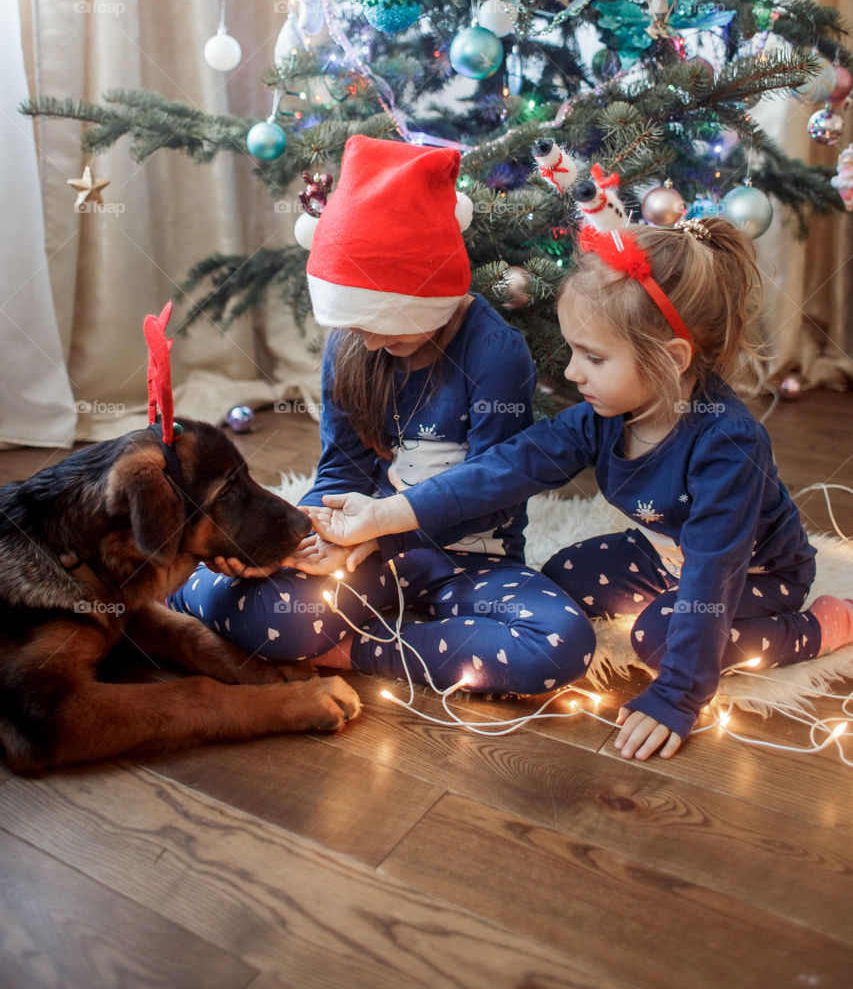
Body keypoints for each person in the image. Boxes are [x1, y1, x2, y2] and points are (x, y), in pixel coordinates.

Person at [311, 216, 853, 760]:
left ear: (671, 359)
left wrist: (678, 695)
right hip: (663, 555)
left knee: (659, 638)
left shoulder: (727, 447)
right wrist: (386, 516)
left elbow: (714, 576)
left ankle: (818, 627)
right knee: (562, 576)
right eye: (573, 351)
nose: (572, 373)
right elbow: (507, 468)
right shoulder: (604, 414)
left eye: (592, 357)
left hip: (755, 573)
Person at [168, 134, 596, 696]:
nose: (367, 342)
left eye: (381, 321)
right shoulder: (352, 344)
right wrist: (306, 534)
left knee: (559, 642)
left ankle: (356, 650)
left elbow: (495, 489)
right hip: (367, 559)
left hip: (472, 558)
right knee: (274, 614)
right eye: (354, 324)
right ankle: (180, 587)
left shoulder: (494, 352)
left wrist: (373, 537)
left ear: (429, 294)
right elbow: (340, 470)